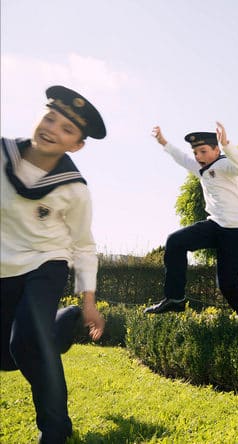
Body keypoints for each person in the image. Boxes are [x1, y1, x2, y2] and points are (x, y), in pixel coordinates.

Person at [1, 85, 106, 443]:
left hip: (45, 263)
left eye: (67, 129)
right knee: (8, 357)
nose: (52, 129)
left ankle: (56, 431)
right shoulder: (3, 153)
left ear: (77, 145)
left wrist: (88, 301)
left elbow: (84, 245)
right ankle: (61, 326)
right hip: (3, 266)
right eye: (50, 118)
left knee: (27, 343)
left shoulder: (74, 189)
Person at [144, 122, 238, 318]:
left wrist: (227, 145)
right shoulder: (201, 169)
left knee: (226, 284)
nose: (198, 157)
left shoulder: (225, 164)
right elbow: (182, 158)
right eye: (196, 153)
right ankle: (175, 298)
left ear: (216, 150)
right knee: (175, 241)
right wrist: (164, 142)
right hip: (216, 225)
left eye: (203, 151)